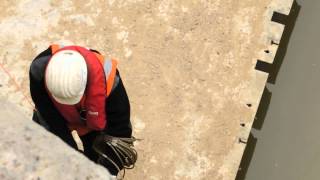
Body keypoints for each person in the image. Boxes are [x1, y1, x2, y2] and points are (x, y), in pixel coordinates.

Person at [29, 44, 136, 178]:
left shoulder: (111, 84)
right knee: (43, 149)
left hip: (91, 120)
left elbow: (120, 133)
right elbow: (50, 118)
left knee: (97, 155)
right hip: (55, 113)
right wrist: (71, 157)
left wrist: (105, 173)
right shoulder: (38, 71)